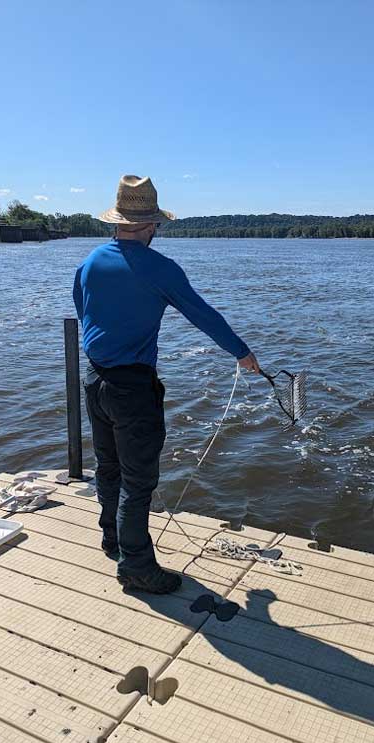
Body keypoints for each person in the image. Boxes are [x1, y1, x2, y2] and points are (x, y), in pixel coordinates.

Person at [73, 174, 259, 594]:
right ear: (150, 224)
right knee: (138, 483)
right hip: (131, 389)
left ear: (117, 221)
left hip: (94, 380)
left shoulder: (90, 261)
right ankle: (136, 567)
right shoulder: (160, 267)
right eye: (156, 224)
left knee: (108, 467)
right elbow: (202, 314)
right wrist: (242, 353)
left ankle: (112, 540)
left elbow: (82, 311)